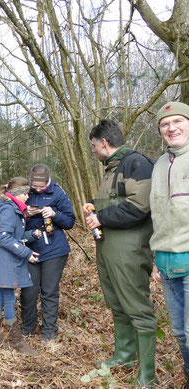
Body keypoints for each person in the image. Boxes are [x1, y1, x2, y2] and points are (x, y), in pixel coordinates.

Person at [83, 119, 156, 387]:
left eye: (93, 145)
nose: (92, 150)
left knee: (137, 307)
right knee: (117, 303)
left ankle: (148, 373)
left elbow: (139, 207)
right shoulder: (110, 168)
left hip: (130, 250)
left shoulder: (137, 163)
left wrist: (101, 216)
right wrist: (92, 206)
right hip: (108, 249)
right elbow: (115, 202)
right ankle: (124, 355)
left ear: (104, 143)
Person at [150, 102, 189, 386]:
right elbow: (159, 215)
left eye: (177, 121)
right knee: (178, 330)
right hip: (165, 262)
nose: (171, 127)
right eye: (165, 124)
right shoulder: (160, 164)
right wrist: (155, 259)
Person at [20, 164, 75, 342]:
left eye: (40, 186)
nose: (36, 189)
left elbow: (70, 222)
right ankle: (28, 328)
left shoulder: (58, 193)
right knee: (28, 290)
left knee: (49, 291)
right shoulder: (25, 192)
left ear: (48, 181)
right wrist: (25, 212)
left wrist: (54, 213)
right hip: (30, 248)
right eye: (34, 185)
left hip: (54, 249)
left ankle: (49, 333)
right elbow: (11, 214)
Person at [0, 177, 40, 354]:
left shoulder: (12, 209)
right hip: (5, 259)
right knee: (9, 298)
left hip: (4, 257)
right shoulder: (9, 210)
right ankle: (17, 342)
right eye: (25, 193)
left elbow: (15, 234)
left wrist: (32, 234)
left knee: (1, 296)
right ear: (17, 193)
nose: (27, 197)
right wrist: (27, 253)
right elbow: (3, 237)